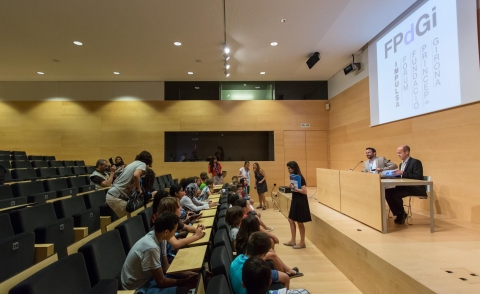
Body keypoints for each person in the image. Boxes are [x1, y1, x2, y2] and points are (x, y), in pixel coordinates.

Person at [121, 212, 198, 294]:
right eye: (175, 230)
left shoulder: (161, 237)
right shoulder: (151, 248)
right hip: (137, 288)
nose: (176, 231)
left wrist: (187, 274)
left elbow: (166, 267)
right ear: (166, 232)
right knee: (184, 290)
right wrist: (186, 281)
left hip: (149, 279)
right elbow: (161, 282)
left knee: (188, 281)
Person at [386, 145, 427, 224]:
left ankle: (401, 214)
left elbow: (418, 176)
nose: (398, 155)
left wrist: (403, 173)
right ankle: (400, 213)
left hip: (415, 188)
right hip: (405, 187)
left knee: (395, 194)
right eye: (397, 153)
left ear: (407, 152)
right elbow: (403, 176)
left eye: (400, 153)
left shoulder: (416, 162)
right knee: (387, 192)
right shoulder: (401, 164)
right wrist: (395, 175)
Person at [107, 151, 152, 218]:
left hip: (114, 195)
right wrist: (139, 189)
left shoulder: (132, 164)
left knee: (130, 217)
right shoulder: (142, 164)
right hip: (116, 196)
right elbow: (136, 175)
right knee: (130, 219)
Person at [283, 161, 311, 249]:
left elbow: (304, 191)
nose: (288, 170)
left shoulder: (300, 177)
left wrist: (294, 188)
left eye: (289, 168)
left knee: (300, 222)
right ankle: (293, 240)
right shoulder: (293, 177)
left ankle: (302, 242)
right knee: (290, 219)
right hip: (295, 199)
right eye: (288, 168)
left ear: (294, 168)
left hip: (301, 201)